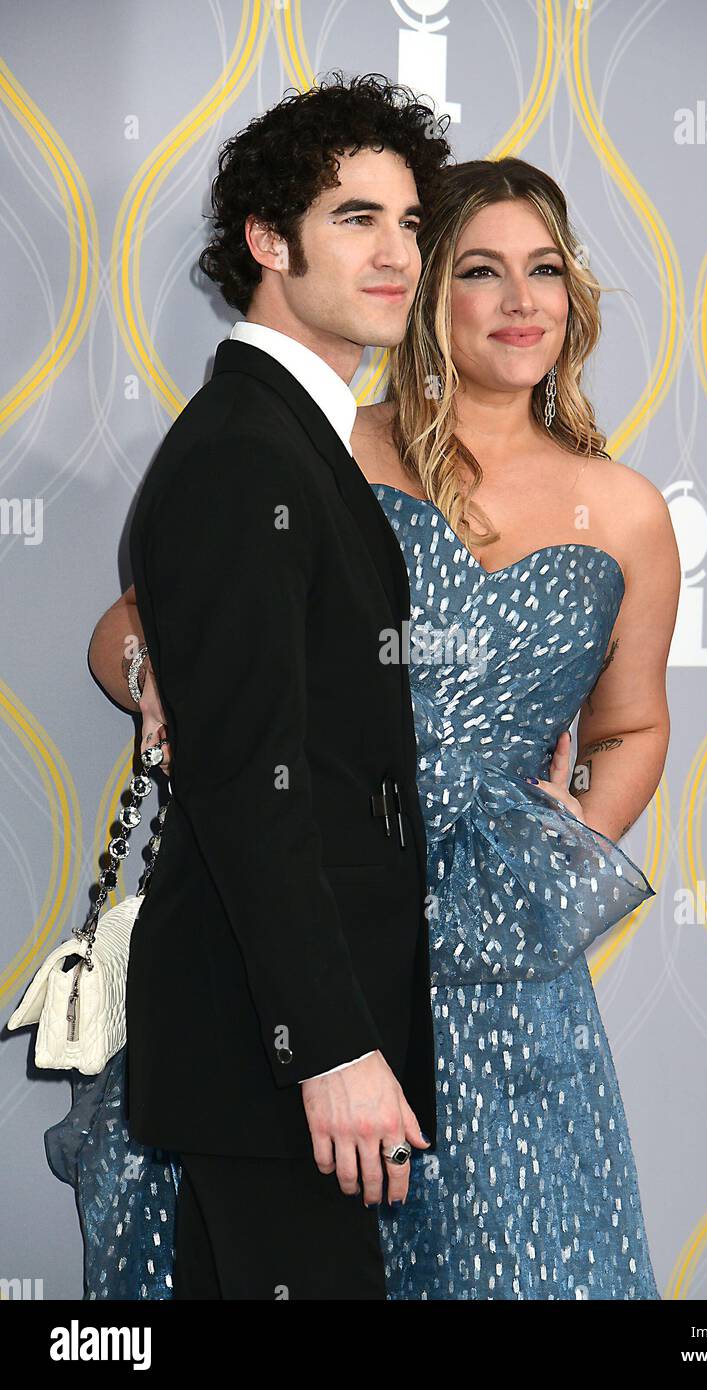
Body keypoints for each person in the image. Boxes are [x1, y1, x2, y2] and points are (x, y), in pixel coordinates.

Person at [86, 156, 679, 1299]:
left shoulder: (624, 509)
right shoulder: (325, 447)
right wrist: (155, 670)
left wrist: (555, 858)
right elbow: (136, 629)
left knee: (515, 1256)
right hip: (328, 918)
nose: (521, 303)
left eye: (545, 272)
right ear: (423, 297)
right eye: (481, 271)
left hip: (504, 971)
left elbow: (635, 720)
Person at [56, 73, 452, 1301]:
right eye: (353, 219)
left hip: (283, 1029)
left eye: (408, 223)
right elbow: (251, 781)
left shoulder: (286, 438)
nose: (396, 254)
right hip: (275, 1039)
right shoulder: (244, 453)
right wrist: (328, 1049)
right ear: (268, 243)